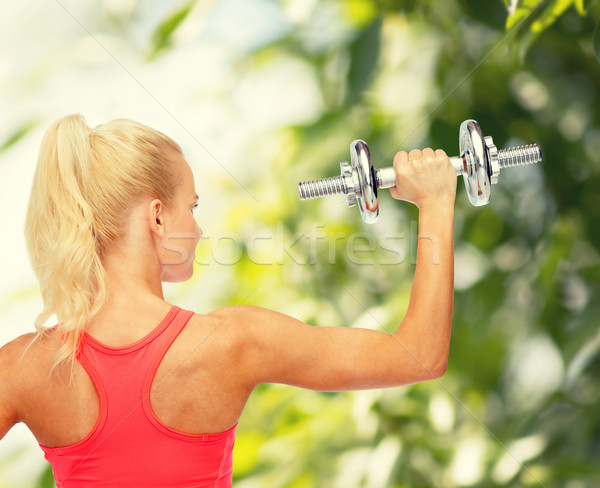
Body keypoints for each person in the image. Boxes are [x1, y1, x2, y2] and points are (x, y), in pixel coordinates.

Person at [0, 114, 456, 487]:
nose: (198, 230)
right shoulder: (232, 341)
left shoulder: (25, 366)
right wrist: (435, 204)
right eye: (192, 207)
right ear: (157, 217)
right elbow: (418, 354)